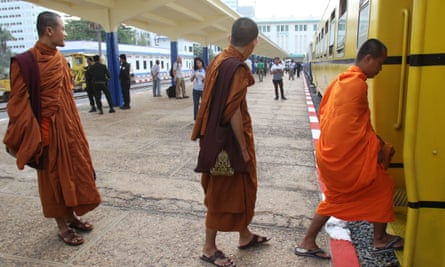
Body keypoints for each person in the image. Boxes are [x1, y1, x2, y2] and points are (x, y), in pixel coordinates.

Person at [294, 39, 403, 260]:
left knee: (336, 199)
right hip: (342, 160)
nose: (380, 70)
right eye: (379, 64)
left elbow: (348, 122)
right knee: (383, 186)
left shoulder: (341, 80)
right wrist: (379, 147)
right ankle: (379, 239)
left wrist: (376, 143)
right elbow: (351, 129)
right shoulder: (357, 84)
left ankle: (308, 241)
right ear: (368, 58)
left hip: (331, 154)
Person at [3, 11, 101, 246]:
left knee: (74, 173)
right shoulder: (25, 62)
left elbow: (66, 97)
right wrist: (34, 135)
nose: (65, 33)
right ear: (49, 31)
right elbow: (18, 104)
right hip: (46, 133)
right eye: (63, 29)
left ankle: (71, 216)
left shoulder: (59, 60)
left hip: (69, 129)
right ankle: (61, 225)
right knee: (52, 179)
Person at [191, 17, 270, 267]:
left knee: (236, 190)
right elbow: (232, 110)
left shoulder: (218, 60)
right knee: (222, 193)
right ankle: (208, 247)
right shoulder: (236, 67)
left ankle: (244, 236)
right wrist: (243, 149)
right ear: (254, 42)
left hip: (213, 137)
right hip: (228, 142)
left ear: (229, 38)